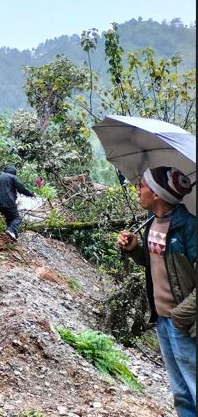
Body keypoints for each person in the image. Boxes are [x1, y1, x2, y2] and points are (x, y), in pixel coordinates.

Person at [116, 166, 196, 417]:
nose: (138, 190)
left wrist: (181, 315)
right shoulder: (153, 224)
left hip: (184, 322)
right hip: (163, 320)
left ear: (158, 194)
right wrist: (134, 249)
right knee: (180, 392)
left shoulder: (188, 228)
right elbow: (157, 266)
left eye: (143, 185)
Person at [0, 165, 34, 241]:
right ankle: (11, 230)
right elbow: (21, 188)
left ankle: (13, 236)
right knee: (17, 218)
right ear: (14, 171)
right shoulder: (12, 177)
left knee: (10, 218)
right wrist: (31, 194)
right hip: (8, 201)